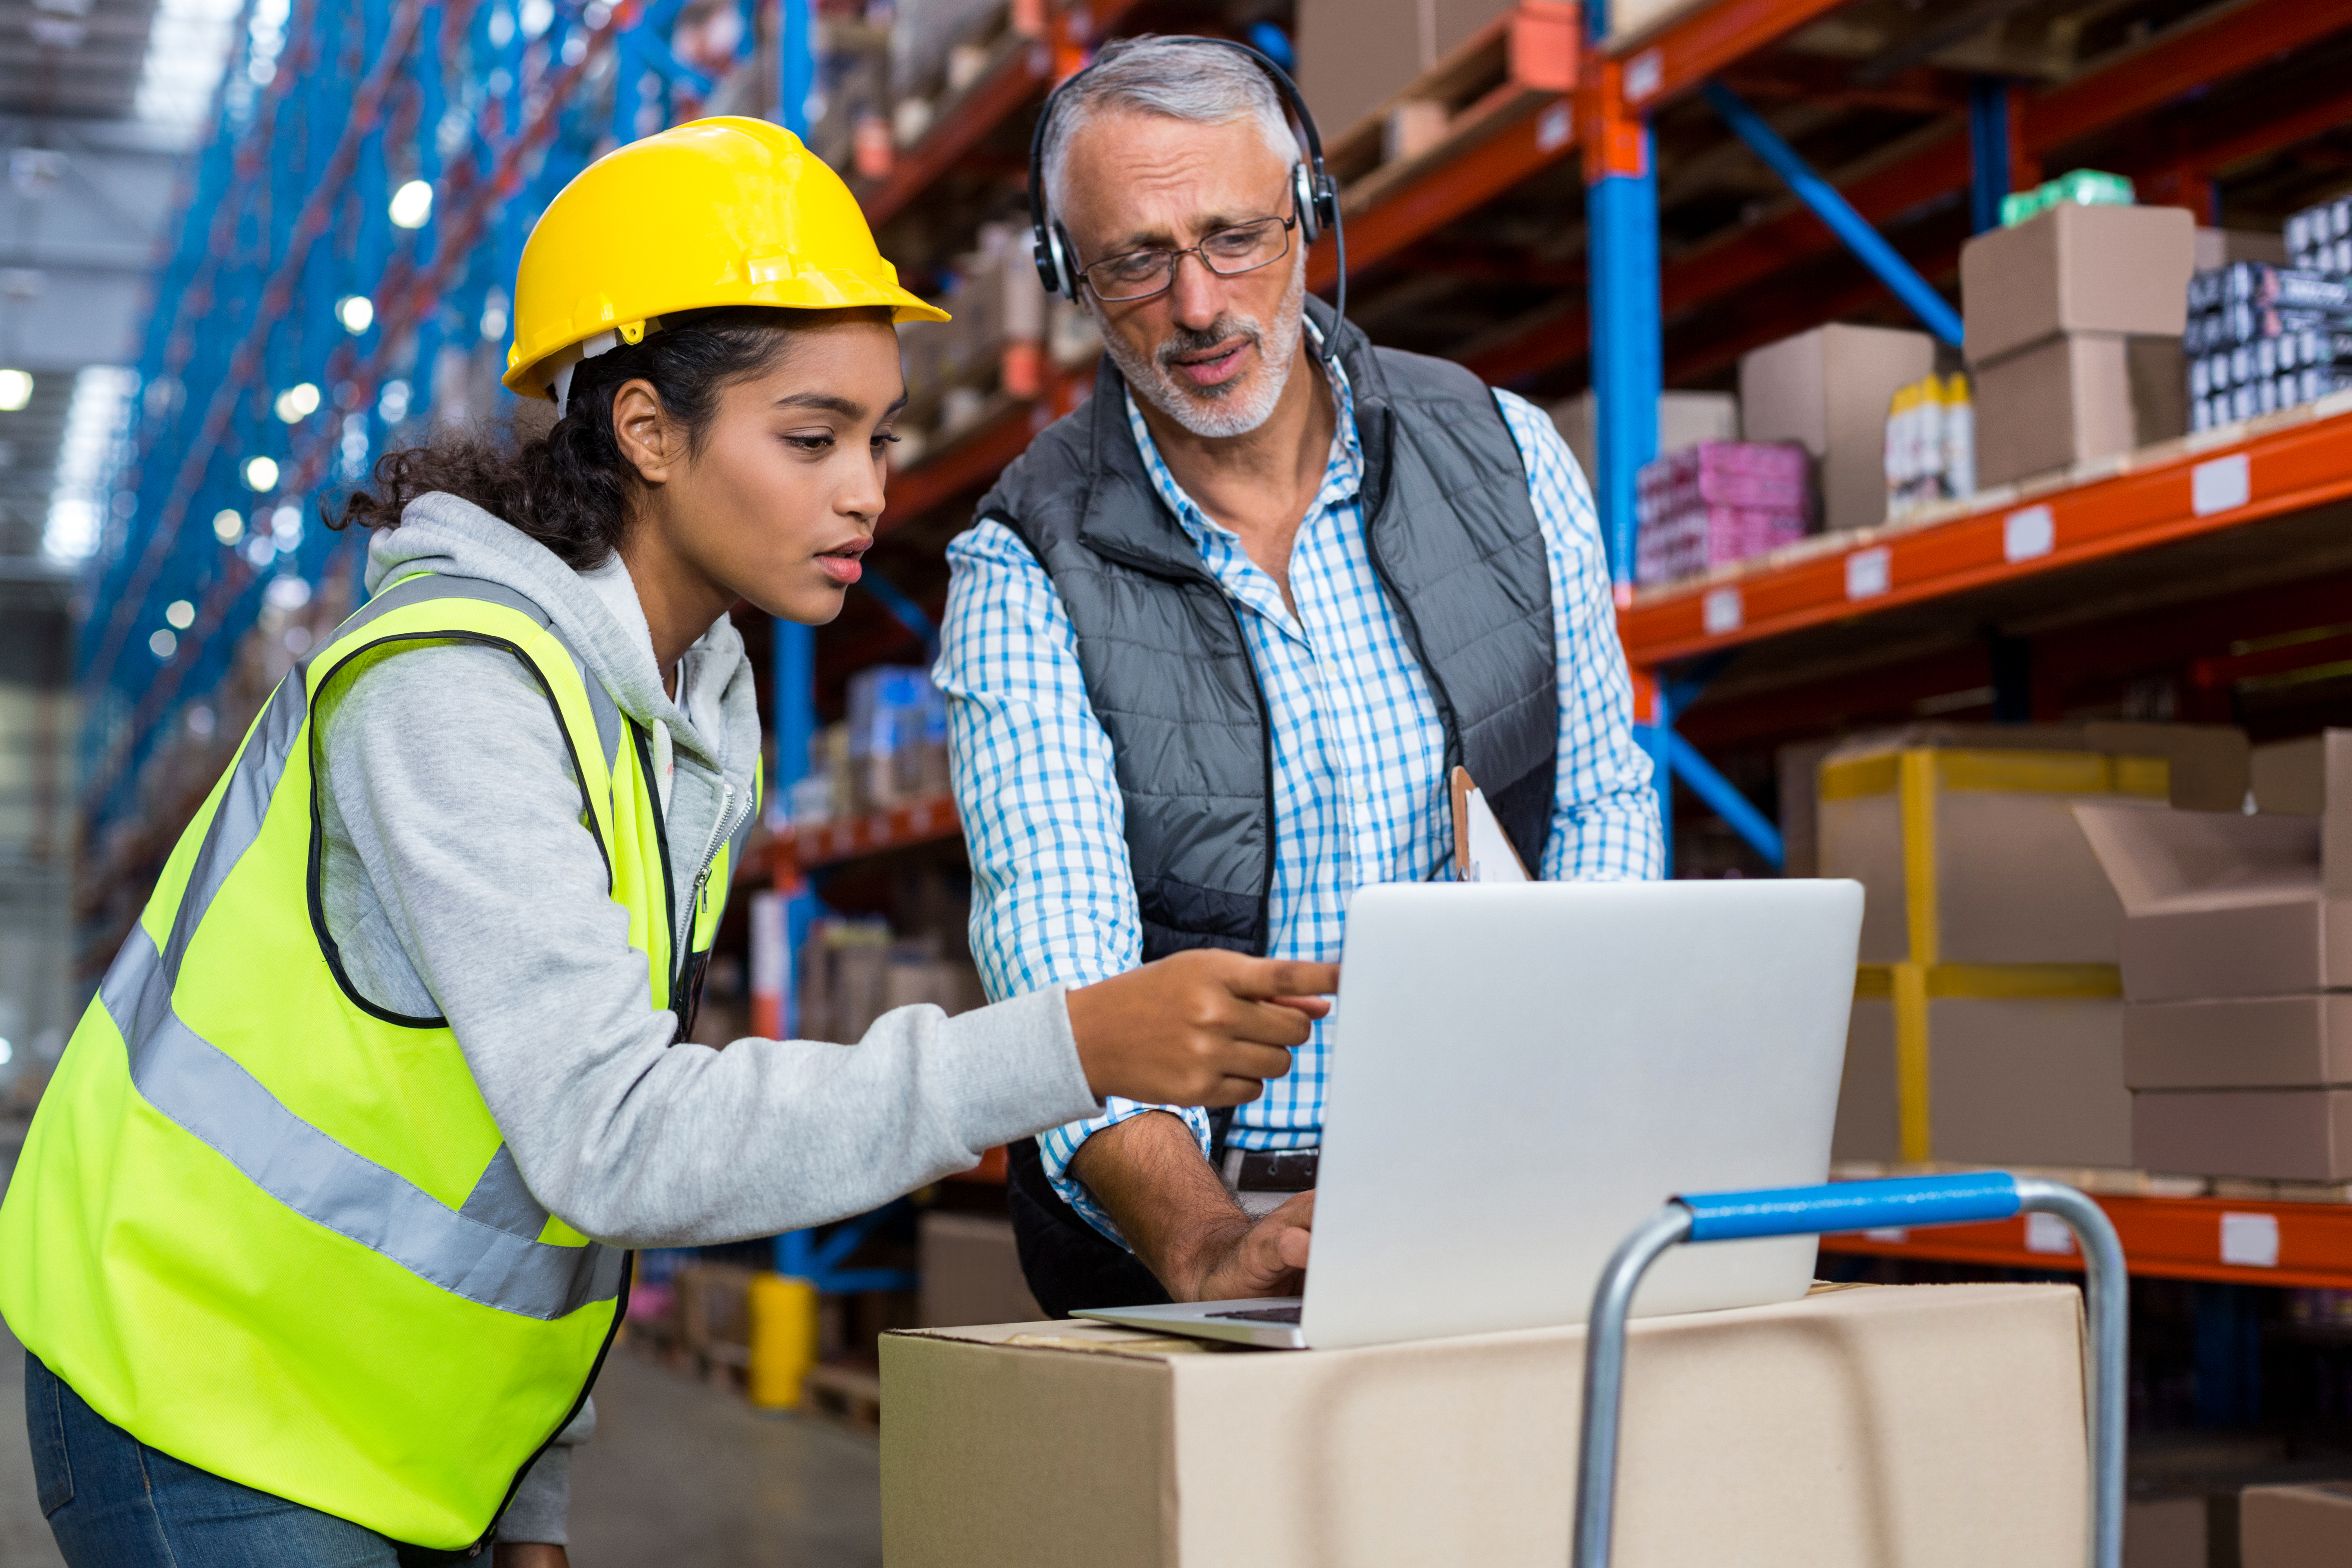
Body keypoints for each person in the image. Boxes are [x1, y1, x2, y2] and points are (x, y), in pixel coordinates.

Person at [0, 117, 1333, 1568]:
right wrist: (1067, 1046)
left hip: (406, 1428)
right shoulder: (451, 685)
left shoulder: (694, 705)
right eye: (811, 438)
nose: (867, 490)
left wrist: (529, 1493)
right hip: (198, 1377)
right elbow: (613, 1140)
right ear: (647, 430)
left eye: (877, 439)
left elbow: (547, 1140)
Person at [935, 38, 1664, 1321]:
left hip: (1489, 1185)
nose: (1201, 306)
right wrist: (1209, 1244)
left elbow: (1602, 803)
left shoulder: (1506, 457)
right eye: (1136, 262)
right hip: (1177, 1232)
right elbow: (1066, 987)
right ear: (1070, 279)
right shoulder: (1023, 565)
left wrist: (1567, 1105)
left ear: (1311, 215)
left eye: (1236, 238)